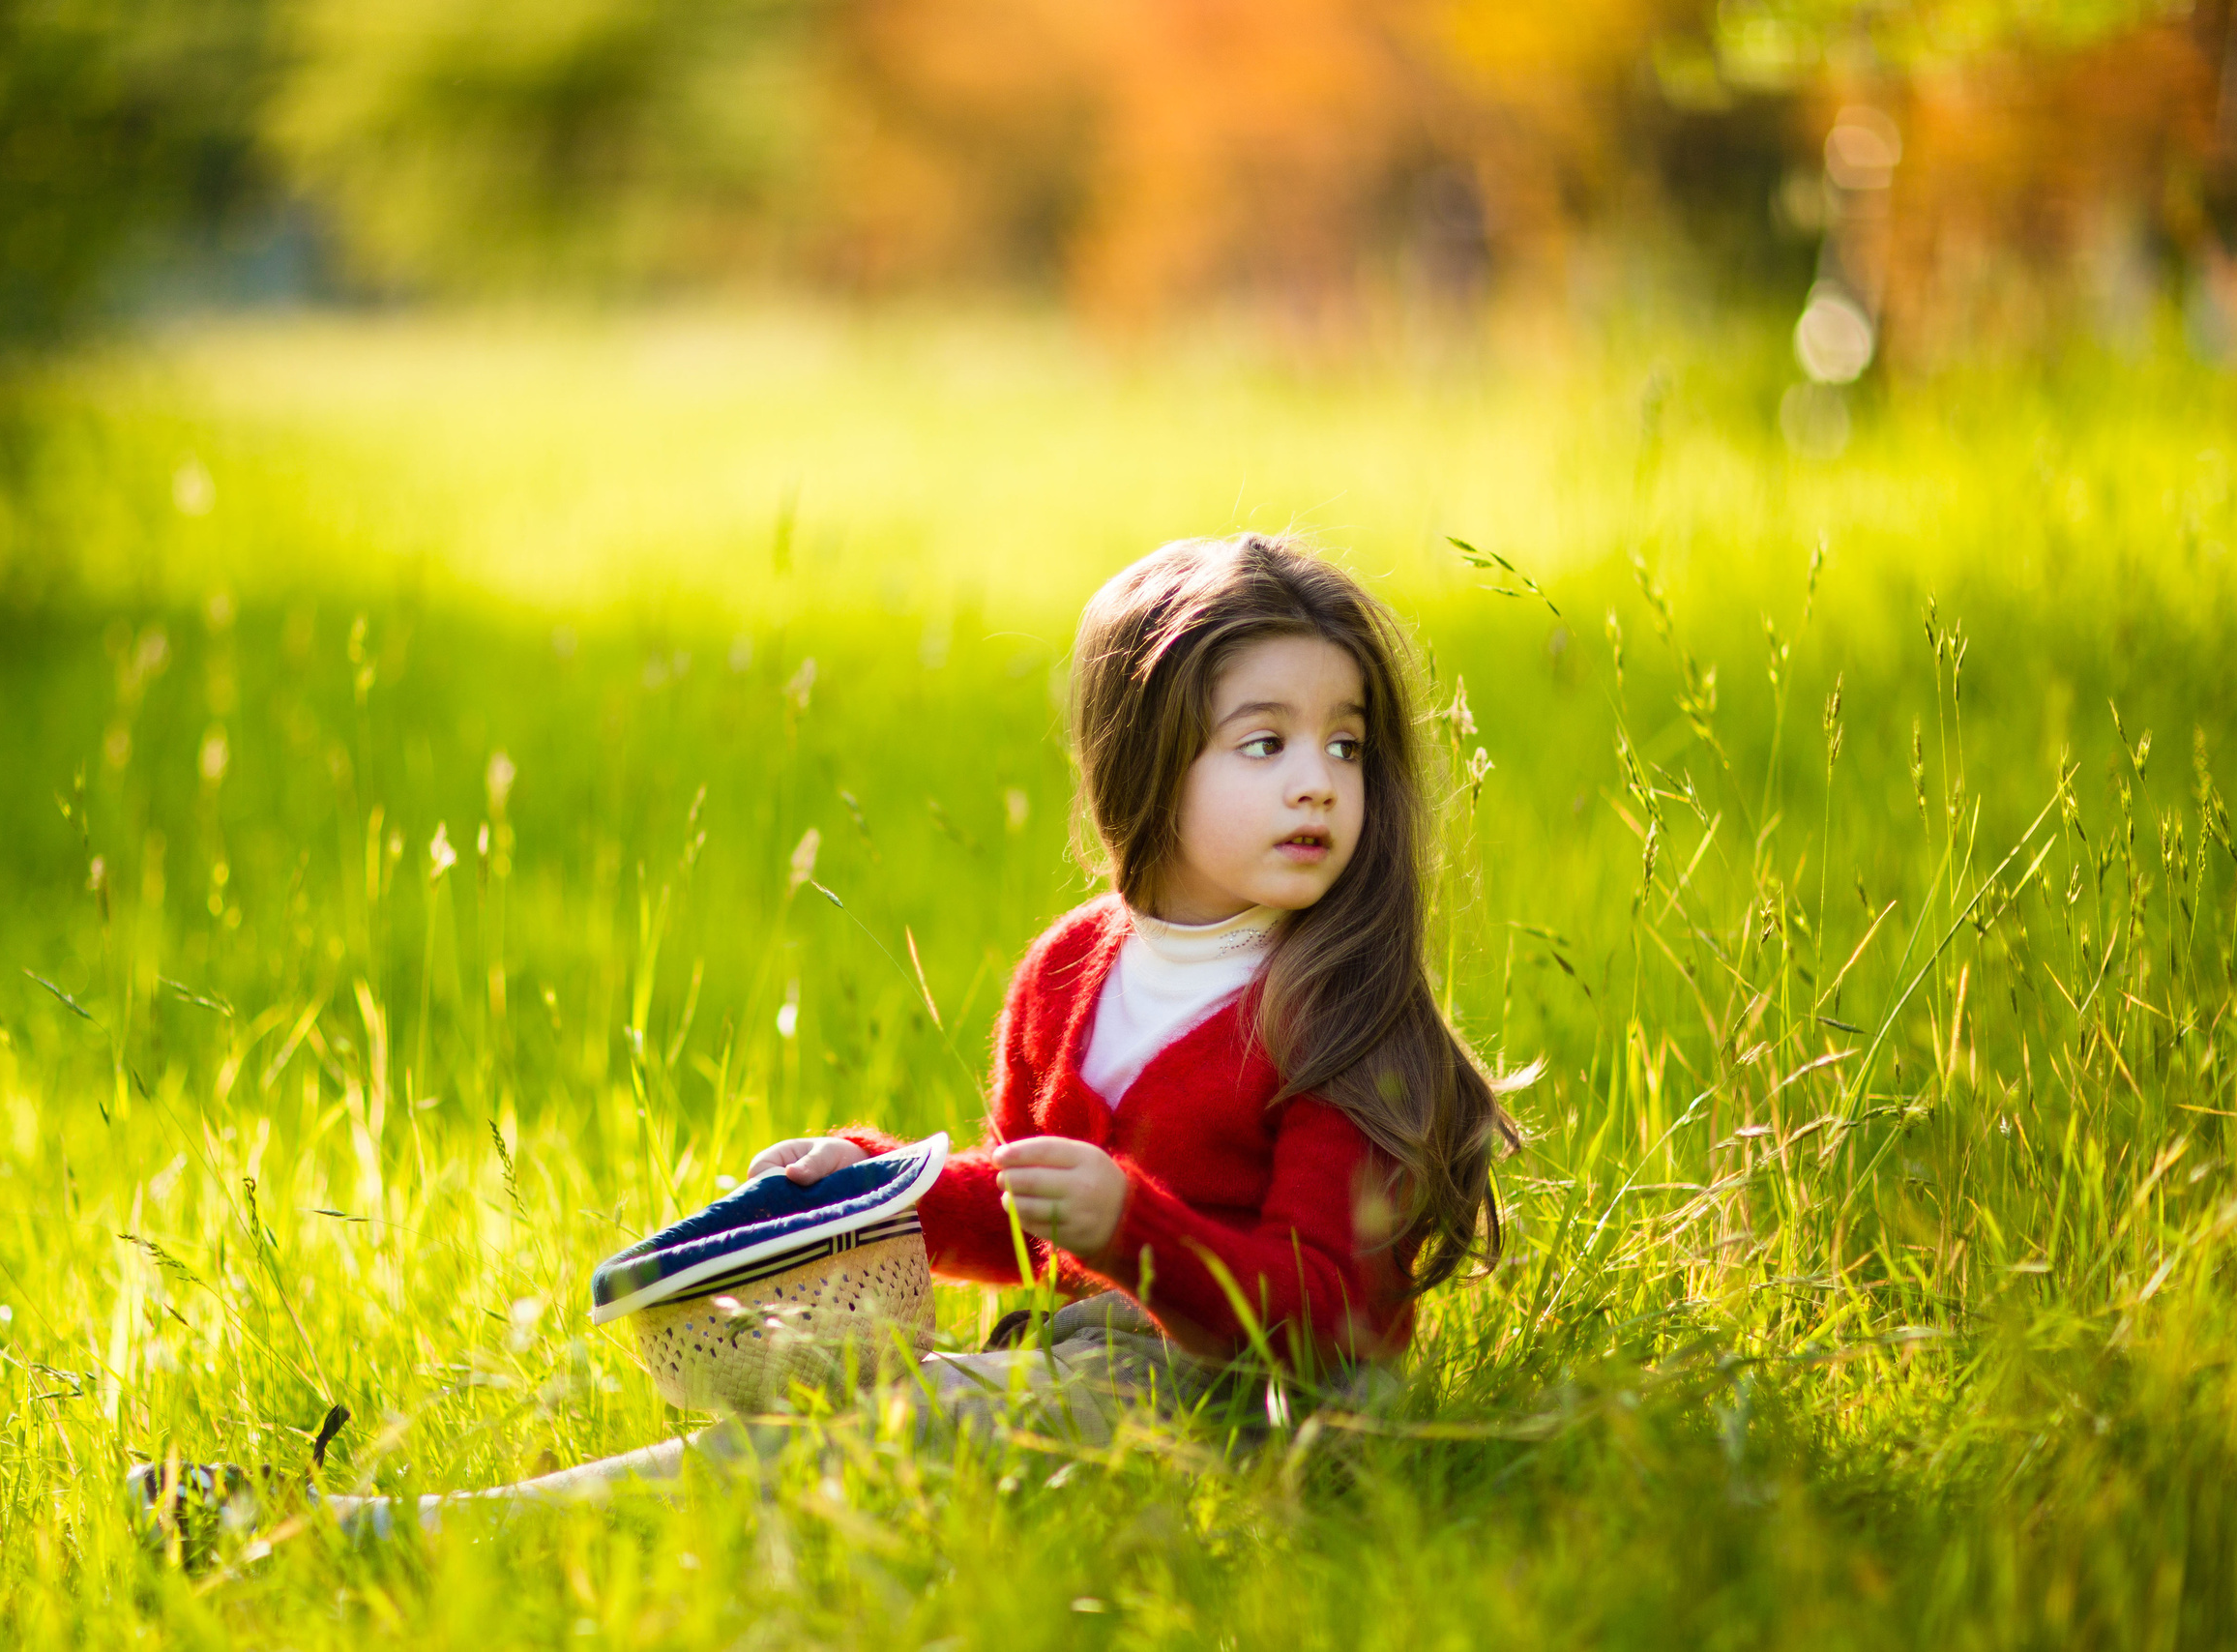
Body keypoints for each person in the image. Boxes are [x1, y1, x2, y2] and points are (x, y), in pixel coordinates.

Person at [132, 533, 1522, 1547]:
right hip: (1080, 1367)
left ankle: (387, 1537)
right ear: (1144, 758)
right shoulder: (1072, 972)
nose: (1318, 784)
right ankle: (394, 1525)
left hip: (1253, 1420)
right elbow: (1039, 1227)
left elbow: (1334, 1317)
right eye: (1263, 742)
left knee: (867, 1445)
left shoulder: (1345, 1010)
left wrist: (1132, 1228)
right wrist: (885, 1190)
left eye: (1346, 745)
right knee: (804, 1423)